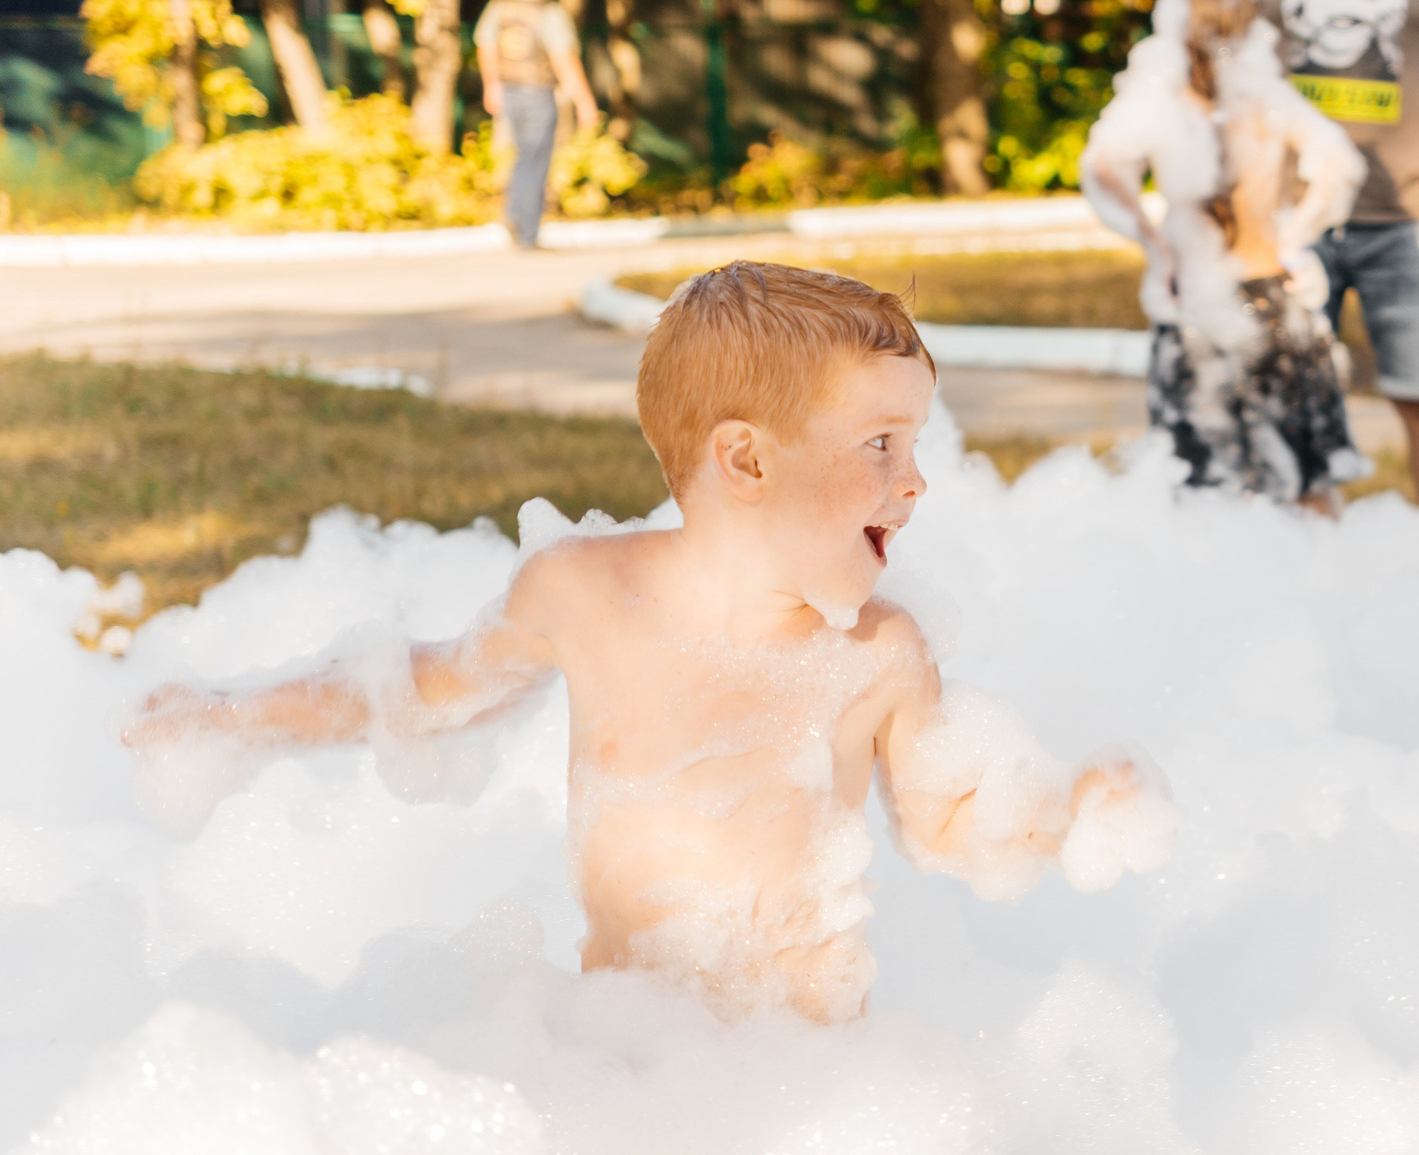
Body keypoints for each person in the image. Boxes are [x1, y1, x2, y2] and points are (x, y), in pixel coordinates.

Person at [124, 263, 1173, 1023]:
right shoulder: (585, 594)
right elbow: (430, 691)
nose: (914, 480)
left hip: (806, 1074)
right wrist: (229, 719)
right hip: (632, 1054)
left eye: (915, 443)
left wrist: (1067, 810)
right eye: (879, 444)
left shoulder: (876, 652)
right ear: (746, 462)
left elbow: (948, 824)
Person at [1081, 0, 1371, 510]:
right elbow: (1339, 165)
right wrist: (1295, 236)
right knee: (1305, 481)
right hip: (1272, 296)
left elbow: (1103, 164)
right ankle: (1325, 583)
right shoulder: (1265, 94)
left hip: (1196, 299)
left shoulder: (1159, 96)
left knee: (1200, 485)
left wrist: (1156, 243)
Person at [1266, 0, 1419, 507]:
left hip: (1411, 217)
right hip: (1290, 219)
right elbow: (1225, 70)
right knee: (1291, 404)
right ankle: (1305, 564)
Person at [475, 0, 600, 249]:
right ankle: (526, 232)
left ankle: (515, 215)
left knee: (522, 157)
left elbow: (485, 46)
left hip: (509, 90)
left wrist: (491, 84)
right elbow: (563, 57)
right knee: (535, 160)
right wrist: (584, 100)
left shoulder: (500, 7)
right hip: (537, 92)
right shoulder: (549, 12)